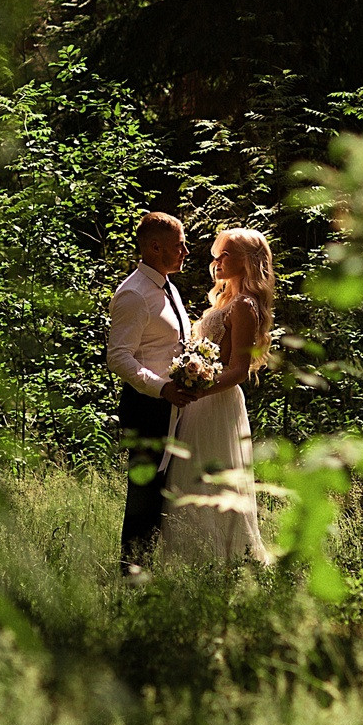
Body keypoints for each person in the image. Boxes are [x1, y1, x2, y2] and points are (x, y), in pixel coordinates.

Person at [160, 226, 274, 566]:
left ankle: (220, 556)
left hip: (217, 401)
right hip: (202, 400)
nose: (217, 260)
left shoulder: (244, 305)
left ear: (247, 261)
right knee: (189, 474)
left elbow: (239, 368)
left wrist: (198, 388)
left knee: (211, 476)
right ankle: (190, 556)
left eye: (226, 254)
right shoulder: (225, 300)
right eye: (217, 254)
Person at [106, 211, 194, 567]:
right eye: (179, 245)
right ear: (155, 247)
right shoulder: (134, 294)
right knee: (143, 500)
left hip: (173, 407)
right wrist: (162, 389)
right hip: (148, 409)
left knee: (164, 498)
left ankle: (152, 572)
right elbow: (118, 357)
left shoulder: (167, 285)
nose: (186, 251)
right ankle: (132, 576)